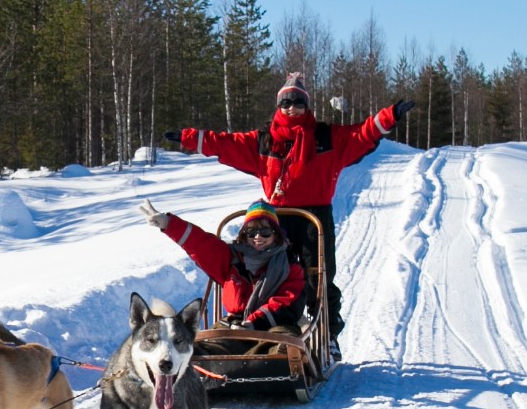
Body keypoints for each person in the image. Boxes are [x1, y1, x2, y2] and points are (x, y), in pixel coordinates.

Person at [163, 73, 412, 342]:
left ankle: (327, 336)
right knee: (269, 275)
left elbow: (362, 134)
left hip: (314, 219)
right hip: (275, 221)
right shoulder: (264, 142)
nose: (291, 108)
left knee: (318, 278)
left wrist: (390, 115)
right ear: (278, 107)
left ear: (307, 106)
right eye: (286, 103)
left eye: (298, 102)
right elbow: (226, 143)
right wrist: (189, 138)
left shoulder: (327, 137)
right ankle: (262, 323)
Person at [137, 198, 306, 331]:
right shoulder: (231, 258)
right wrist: (169, 224)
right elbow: (201, 245)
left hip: (276, 324)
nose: (258, 237)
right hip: (234, 323)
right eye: (251, 232)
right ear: (243, 235)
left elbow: (286, 301)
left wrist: (254, 323)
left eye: (266, 231)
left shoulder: (289, 266)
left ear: (276, 235)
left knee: (282, 352)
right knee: (208, 349)